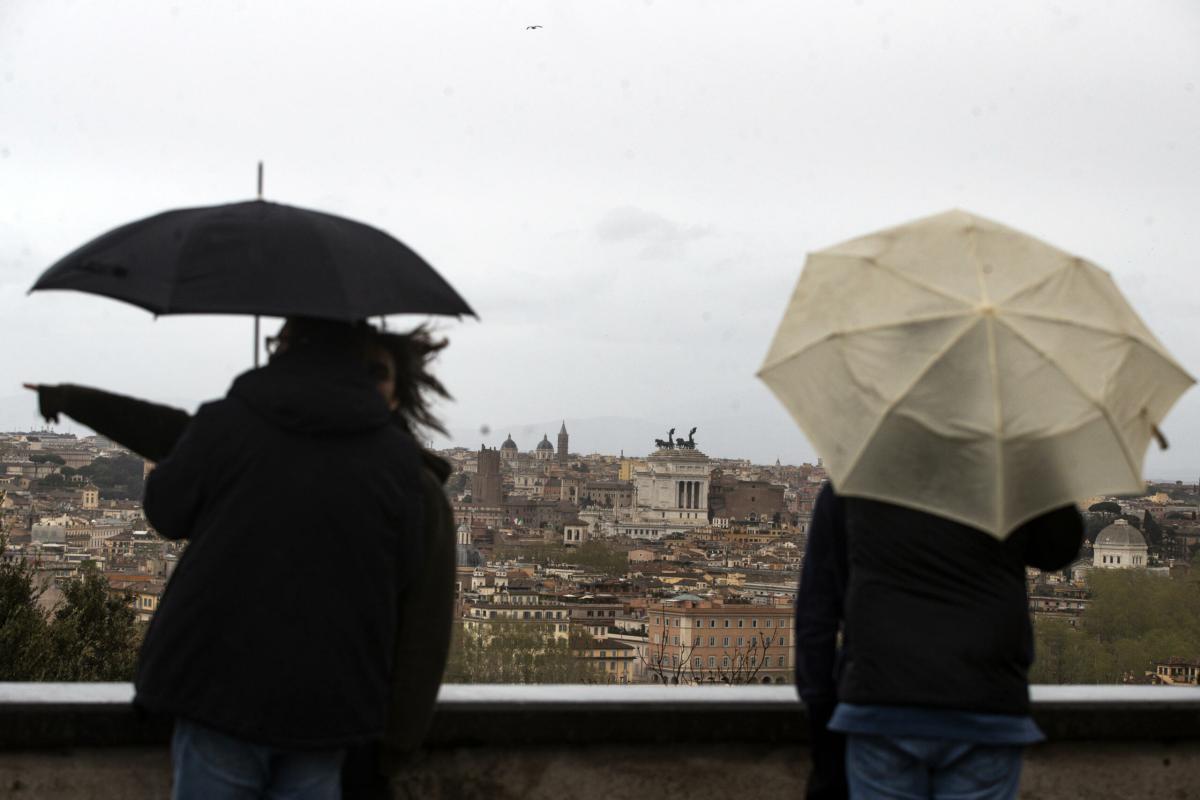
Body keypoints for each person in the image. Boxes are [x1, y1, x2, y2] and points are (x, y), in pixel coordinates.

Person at [27, 323, 457, 800]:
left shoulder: (232, 425)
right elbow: (425, 628)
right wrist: (395, 746)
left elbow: (167, 506)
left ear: (286, 352)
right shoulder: (409, 475)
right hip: (332, 709)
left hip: (217, 690)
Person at [802, 484, 1082, 800]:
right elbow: (1060, 547)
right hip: (986, 702)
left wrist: (824, 716)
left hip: (880, 703)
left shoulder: (857, 477)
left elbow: (816, 613)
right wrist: (1033, 460)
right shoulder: (1003, 472)